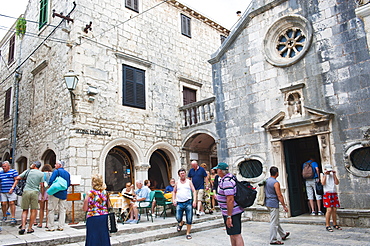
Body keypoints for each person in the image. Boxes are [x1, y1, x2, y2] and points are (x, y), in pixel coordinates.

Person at [213, 162, 244, 246]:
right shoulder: (230, 178)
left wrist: (229, 216)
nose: (216, 171)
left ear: (221, 171)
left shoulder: (226, 181)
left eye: (217, 169)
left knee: (236, 234)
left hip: (232, 212)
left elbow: (230, 199)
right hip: (231, 211)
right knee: (232, 234)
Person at [16, 161, 44, 234]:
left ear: (34, 165)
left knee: (25, 210)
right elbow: (42, 185)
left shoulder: (28, 171)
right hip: (35, 192)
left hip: (26, 191)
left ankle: (23, 226)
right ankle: (30, 228)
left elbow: (18, 177)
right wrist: (43, 194)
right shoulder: (41, 174)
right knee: (33, 210)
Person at [83, 174, 111, 246]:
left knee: (92, 235)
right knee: (103, 235)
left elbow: (85, 208)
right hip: (103, 216)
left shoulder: (89, 193)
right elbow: (109, 205)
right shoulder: (105, 193)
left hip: (92, 216)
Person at [265, 166, 290, 245]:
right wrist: (284, 206)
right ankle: (273, 239)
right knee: (274, 222)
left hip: (267, 202)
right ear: (277, 173)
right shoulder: (275, 183)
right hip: (273, 203)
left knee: (275, 219)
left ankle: (283, 234)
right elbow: (279, 195)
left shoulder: (266, 181)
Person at [46, 160, 71, 231]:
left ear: (60, 165)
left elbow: (51, 181)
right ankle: (61, 226)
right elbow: (68, 184)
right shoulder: (67, 173)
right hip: (63, 194)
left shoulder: (56, 172)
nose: (54, 165)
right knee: (62, 210)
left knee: (51, 209)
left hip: (55, 193)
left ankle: (51, 226)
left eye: (56, 164)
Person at [172, 168, 196, 240]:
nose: (183, 174)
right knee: (178, 217)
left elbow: (194, 191)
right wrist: (174, 200)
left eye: (184, 173)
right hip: (179, 202)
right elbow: (174, 191)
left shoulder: (189, 182)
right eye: (181, 173)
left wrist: (194, 200)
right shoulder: (177, 182)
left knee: (189, 218)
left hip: (188, 201)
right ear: (179, 175)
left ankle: (188, 233)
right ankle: (181, 222)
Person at [320, 164, 341, 232]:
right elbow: (323, 183)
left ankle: (335, 224)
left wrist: (334, 175)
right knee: (329, 210)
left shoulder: (332, 175)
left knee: (334, 209)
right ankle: (327, 225)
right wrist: (325, 175)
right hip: (327, 193)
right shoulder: (322, 174)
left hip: (333, 192)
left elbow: (337, 183)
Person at [37, 164, 53, 228]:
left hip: (43, 191)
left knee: (41, 208)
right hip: (50, 191)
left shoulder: (42, 174)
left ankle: (40, 223)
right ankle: (47, 223)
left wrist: (42, 194)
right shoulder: (51, 174)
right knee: (48, 209)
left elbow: (42, 185)